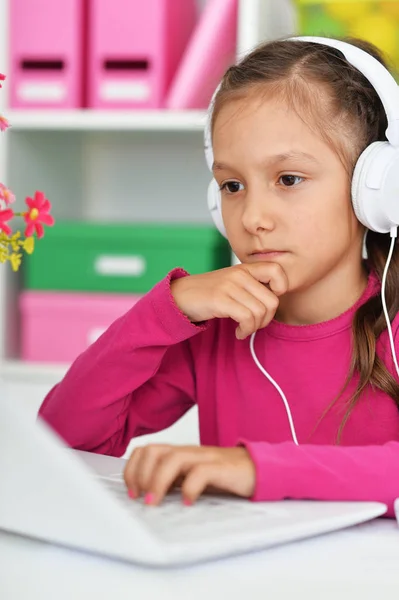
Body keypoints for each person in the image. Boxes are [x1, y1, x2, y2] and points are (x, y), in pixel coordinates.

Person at [39, 36, 399, 517]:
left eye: (288, 179)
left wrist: (253, 469)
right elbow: (64, 439)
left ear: (374, 188)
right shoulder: (217, 332)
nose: (252, 217)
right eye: (232, 185)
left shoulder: (391, 329)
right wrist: (167, 308)